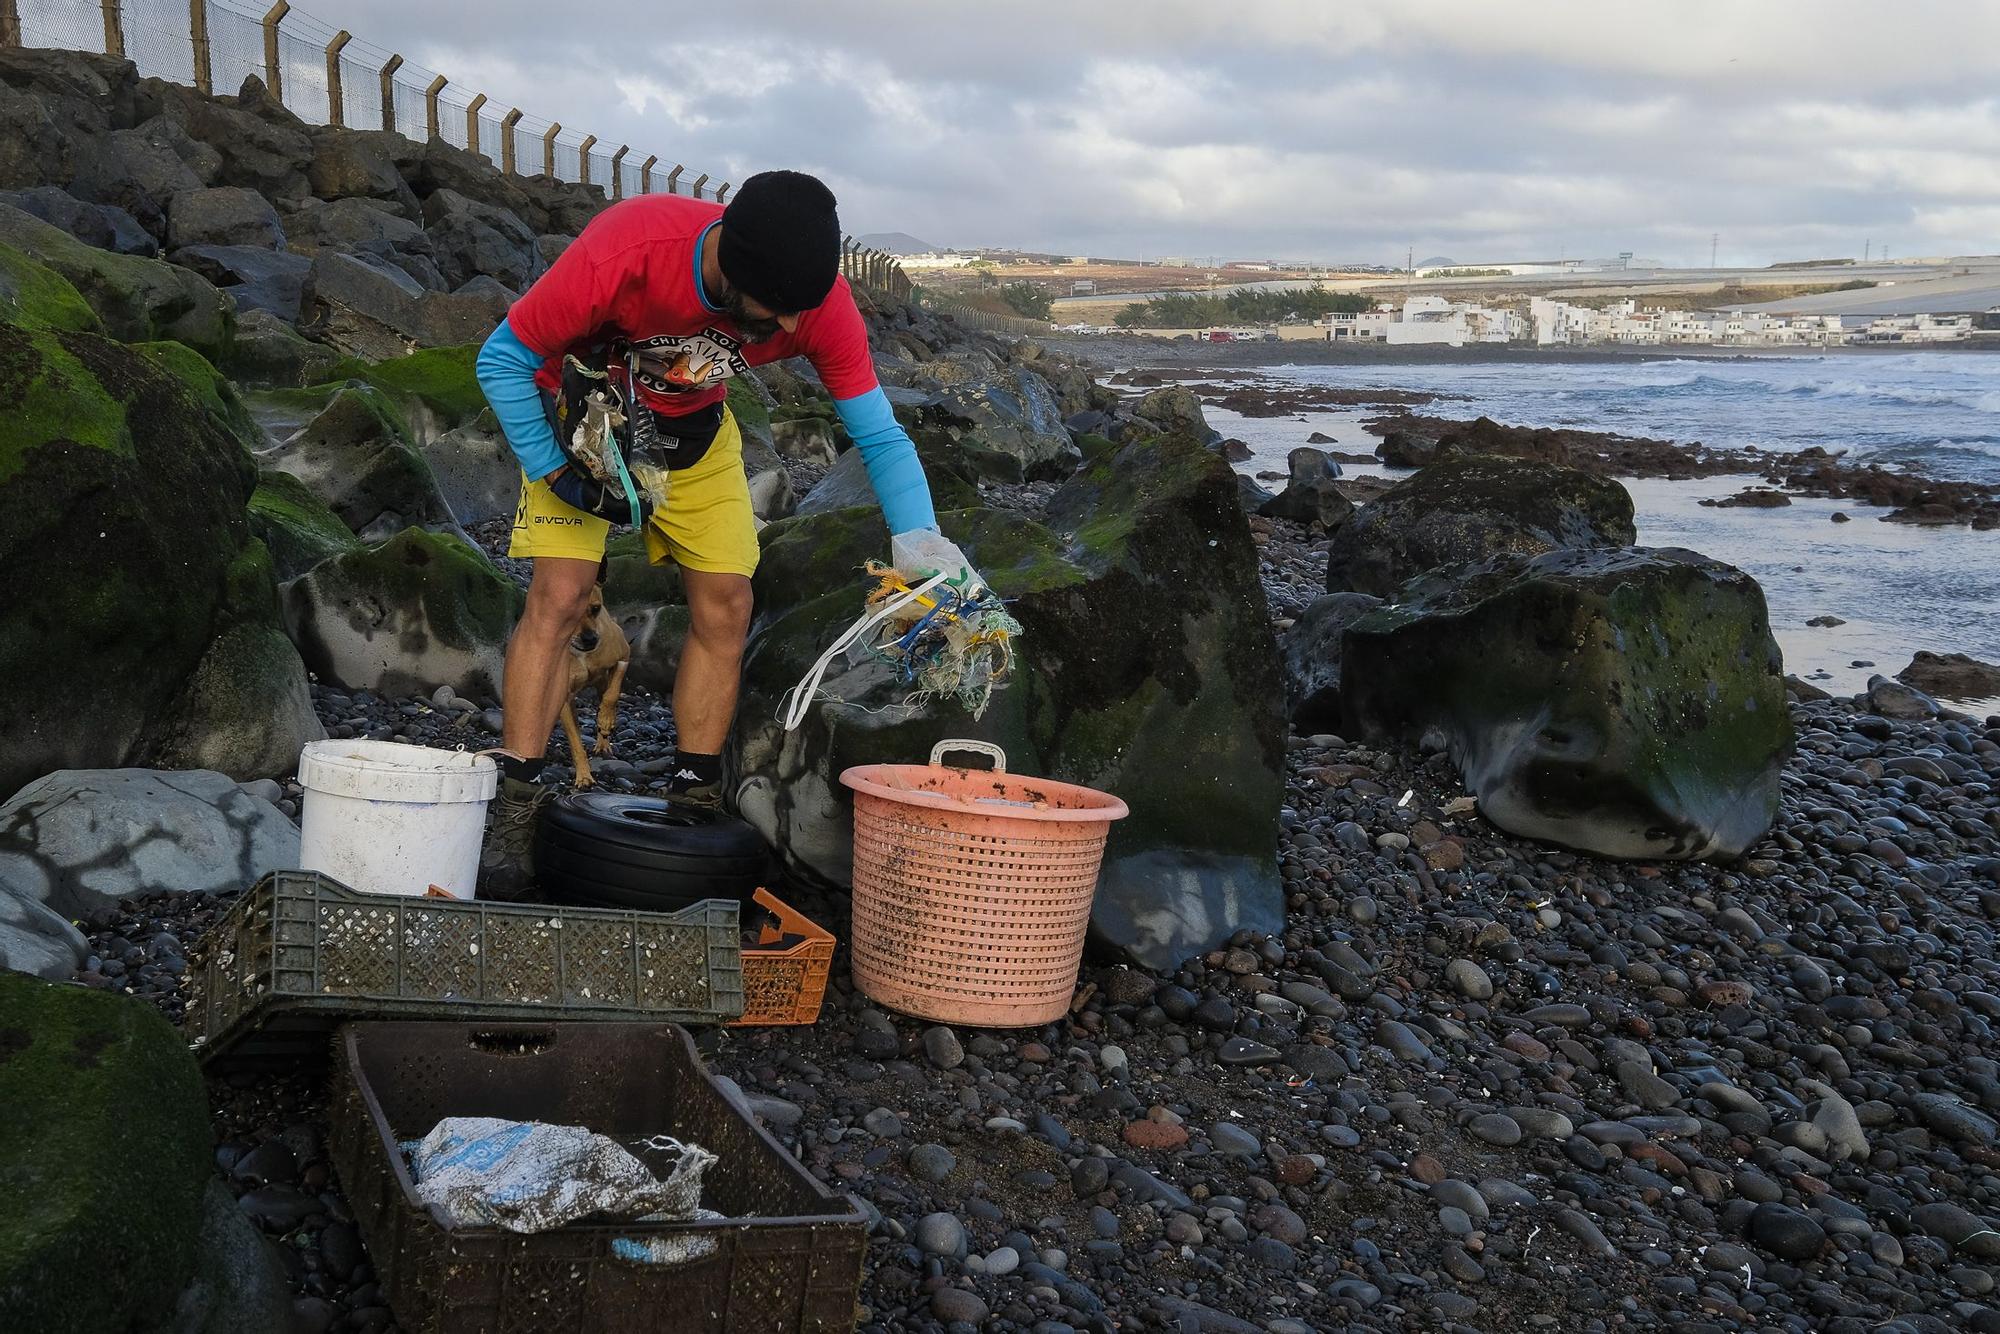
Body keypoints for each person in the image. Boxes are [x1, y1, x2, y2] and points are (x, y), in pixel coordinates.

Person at [472, 169, 982, 899]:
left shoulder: (814, 304)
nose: (780, 333)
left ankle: (691, 799)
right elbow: (502, 358)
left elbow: (880, 435)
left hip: (694, 435)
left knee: (727, 605)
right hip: (582, 424)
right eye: (766, 315)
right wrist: (555, 472)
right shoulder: (632, 246)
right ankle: (516, 803)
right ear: (728, 269)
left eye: (790, 319)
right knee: (560, 595)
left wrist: (923, 547)